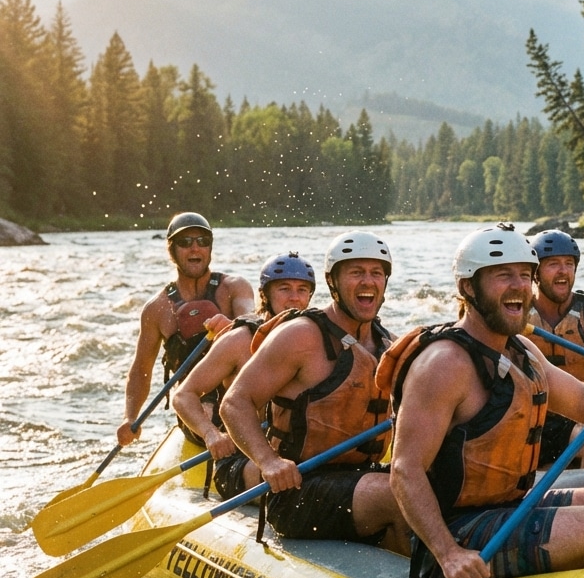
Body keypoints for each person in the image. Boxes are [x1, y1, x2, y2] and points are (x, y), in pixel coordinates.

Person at [378, 223, 584, 578]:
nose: (519, 285)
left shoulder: (521, 350)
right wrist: (448, 552)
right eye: (504, 276)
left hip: (511, 506)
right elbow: (405, 470)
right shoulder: (443, 363)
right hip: (461, 530)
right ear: (468, 287)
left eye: (525, 275)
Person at [219, 231, 409, 553]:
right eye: (356, 272)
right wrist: (269, 462)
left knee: (427, 487)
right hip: (297, 490)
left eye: (376, 273)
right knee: (398, 494)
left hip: (360, 479)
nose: (368, 281)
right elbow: (235, 403)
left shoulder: (388, 343)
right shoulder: (301, 336)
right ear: (333, 281)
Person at [171, 252, 316, 499]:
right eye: (284, 289)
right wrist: (211, 434)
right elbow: (183, 395)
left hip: (290, 452)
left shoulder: (313, 340)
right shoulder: (239, 341)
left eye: (302, 290)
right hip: (241, 458)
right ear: (265, 295)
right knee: (306, 485)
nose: (294, 298)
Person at [117, 212, 255, 447]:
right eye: (185, 242)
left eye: (202, 242)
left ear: (210, 248)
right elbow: (141, 369)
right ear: (171, 250)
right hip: (195, 408)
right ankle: (211, 436)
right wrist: (130, 417)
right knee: (207, 408)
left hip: (240, 396)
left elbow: (252, 320)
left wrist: (235, 324)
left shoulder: (234, 288)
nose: (195, 249)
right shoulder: (156, 309)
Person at [525, 229, 584, 468]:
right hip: (529, 417)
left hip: (580, 418)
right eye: (553, 264)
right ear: (535, 273)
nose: (563, 271)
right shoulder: (516, 314)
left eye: (569, 264)